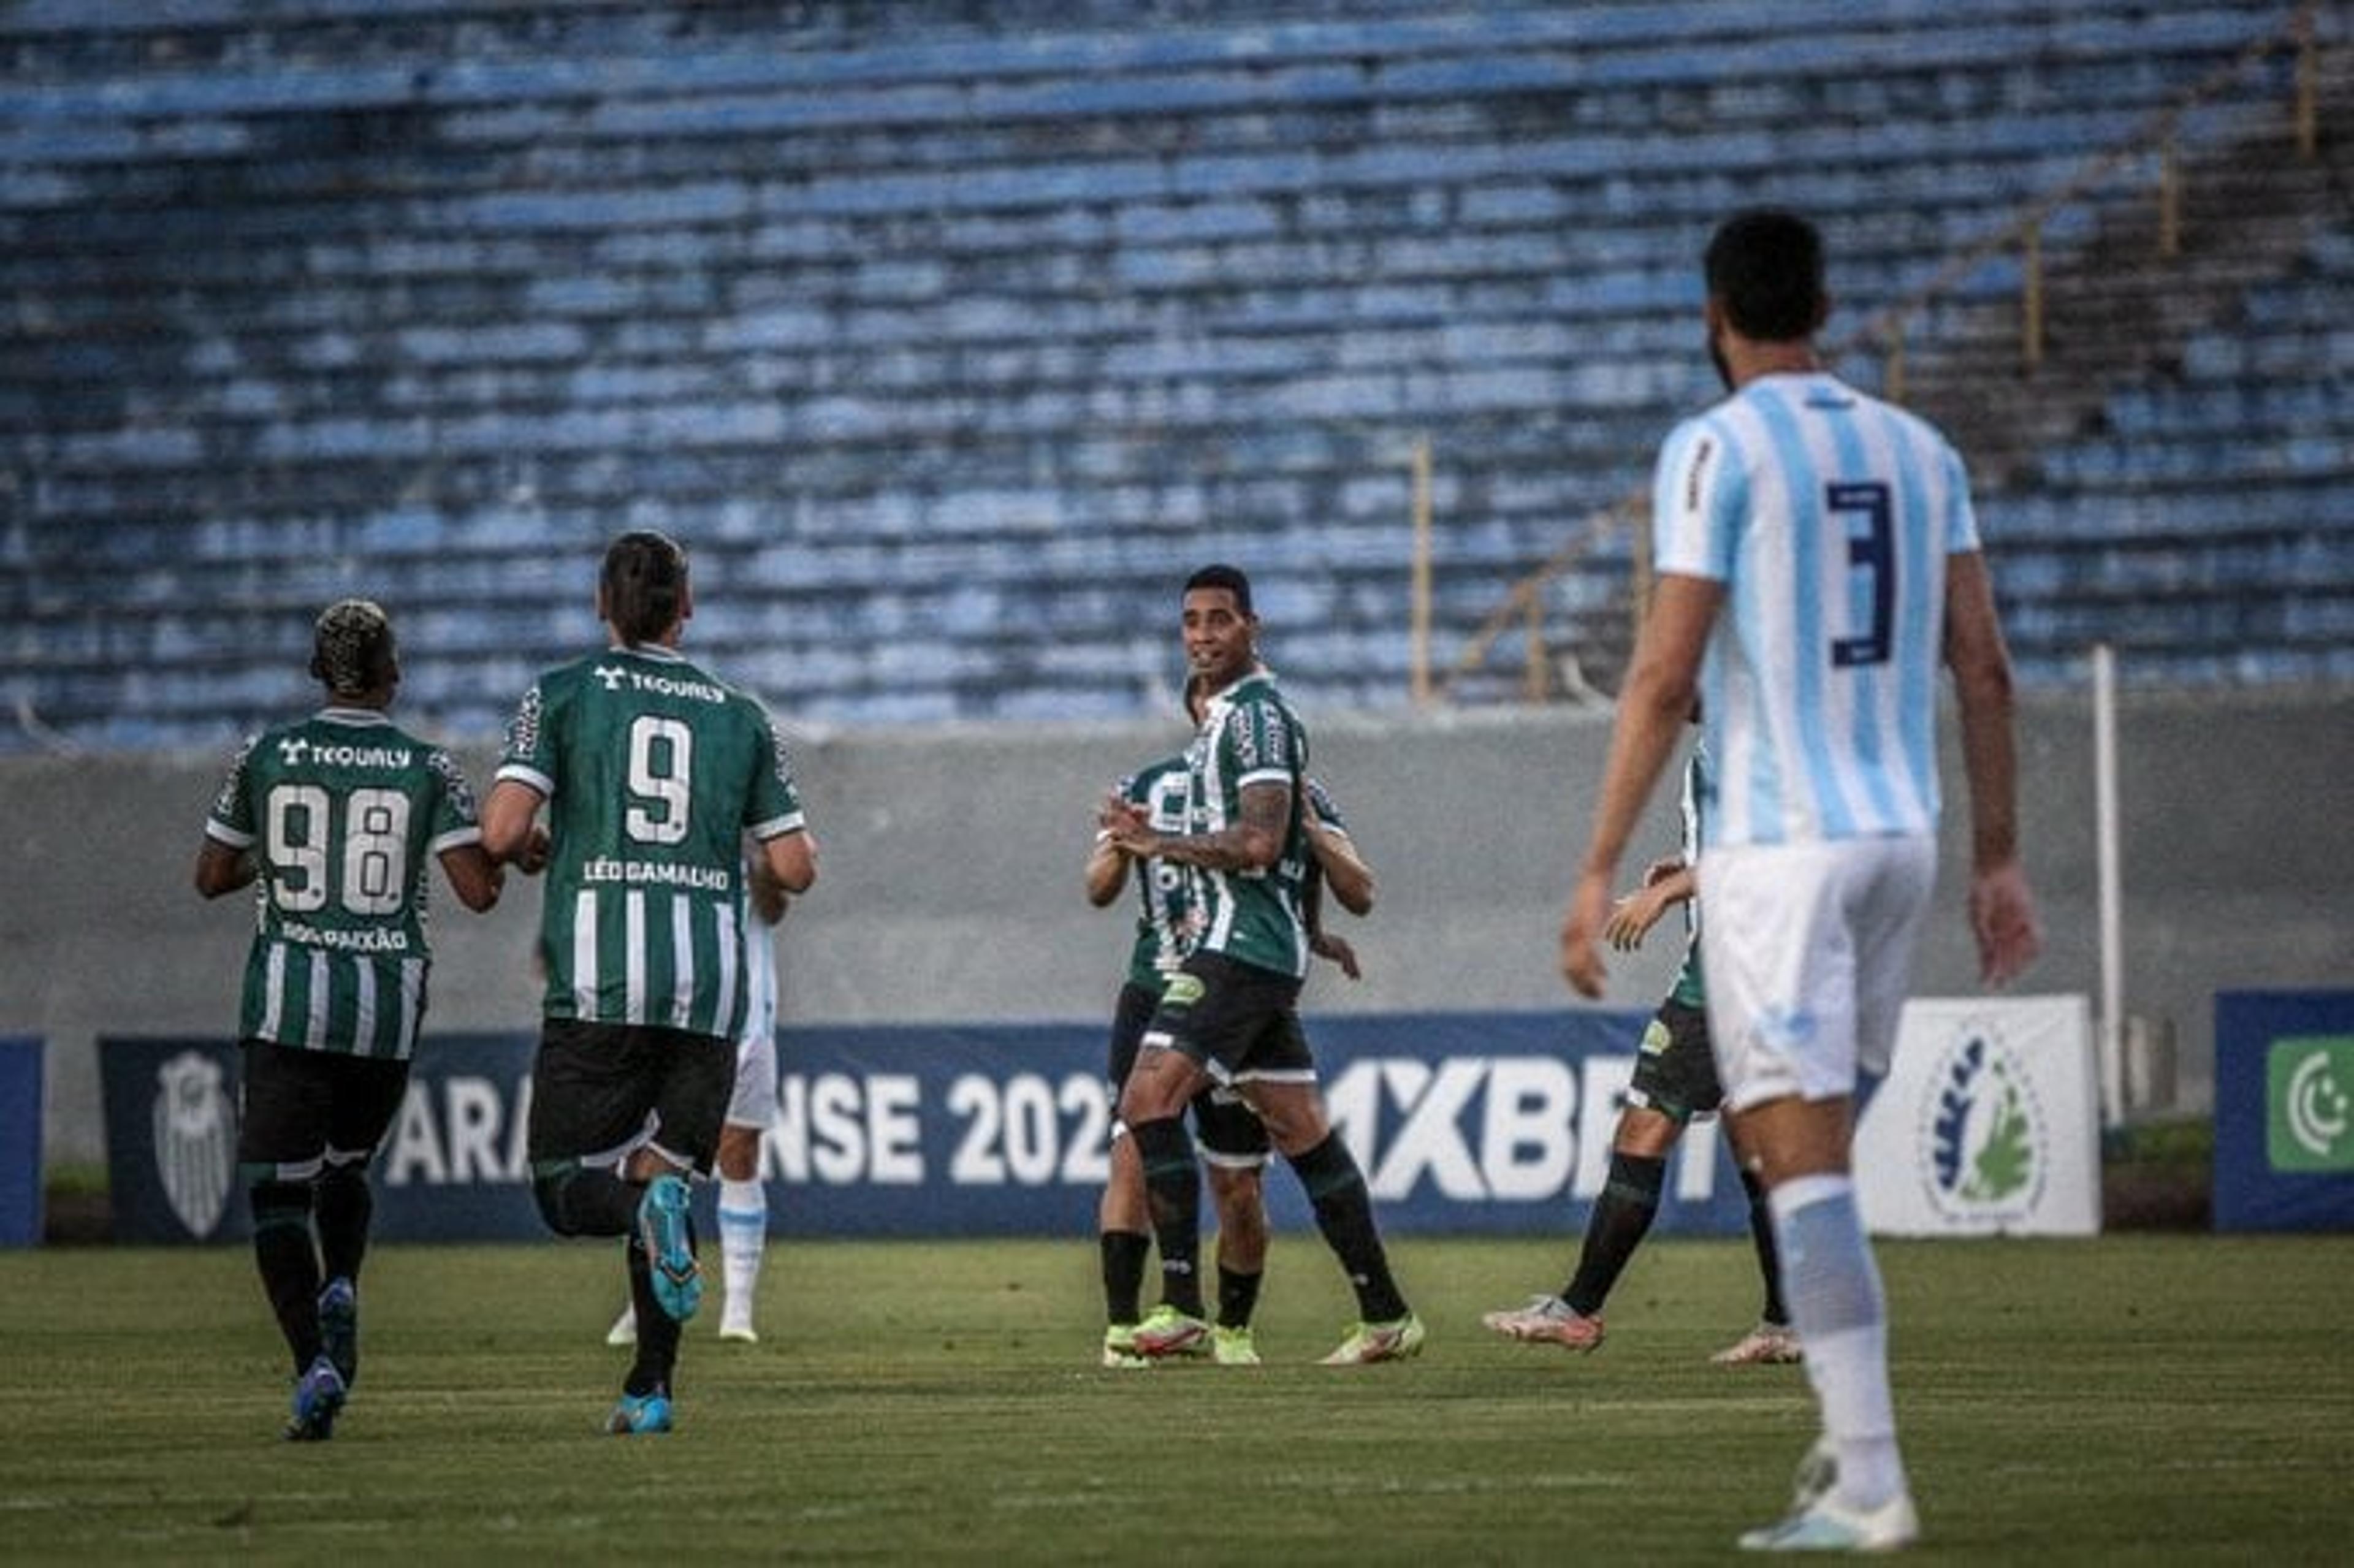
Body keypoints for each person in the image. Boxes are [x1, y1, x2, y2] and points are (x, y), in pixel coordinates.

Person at [1558, 210, 2041, 1552]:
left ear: (1714, 317)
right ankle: (1851, 1435)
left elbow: (1663, 675)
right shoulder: (1920, 449)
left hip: (1782, 851)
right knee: (1803, 1148)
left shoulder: (1714, 447)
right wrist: (2000, 856)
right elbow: (1987, 667)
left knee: (1798, 1162)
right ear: (1825, 302)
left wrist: (1599, 864)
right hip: (1905, 840)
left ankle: (1871, 1478)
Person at [482, 530, 818, 1436]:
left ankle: (647, 1213)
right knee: (663, 1169)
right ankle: (649, 1387)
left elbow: (504, 829)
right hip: (711, 991)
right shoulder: (740, 714)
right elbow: (793, 863)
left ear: (603, 603)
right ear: (688, 605)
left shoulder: (559, 695)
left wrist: (550, 844)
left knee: (563, 1183)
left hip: (599, 980)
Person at [194, 599, 510, 1441]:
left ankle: (314, 1363)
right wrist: (507, 859)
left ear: (313, 674)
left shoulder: (265, 755)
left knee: (274, 1196)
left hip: (287, 1006)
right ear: (393, 675)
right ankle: (345, 1281)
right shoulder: (428, 767)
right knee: (345, 1168)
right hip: (383, 1012)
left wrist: (288, 857)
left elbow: (212, 872)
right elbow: (478, 892)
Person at [1105, 565, 1420, 1366]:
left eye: (1219, 619)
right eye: (1191, 621)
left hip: (1240, 949)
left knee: (1148, 1095)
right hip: (1260, 945)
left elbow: (1259, 845)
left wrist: (1158, 843)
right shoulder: (1229, 727)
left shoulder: (1257, 719)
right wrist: (1315, 932)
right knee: (1301, 1129)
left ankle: (1180, 1303)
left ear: (1252, 626)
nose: (1203, 634)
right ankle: (1386, 1313)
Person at [1485, 733, 1799, 1366]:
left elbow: (1769, 855)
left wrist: (1668, 891)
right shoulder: (1748, 735)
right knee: (1757, 1144)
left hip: (1725, 976)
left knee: (1644, 1129)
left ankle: (1577, 1309)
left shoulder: (1745, 743)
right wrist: (1681, 867)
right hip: (1769, 969)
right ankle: (1788, 1323)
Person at [607, 853, 790, 1348]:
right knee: (650, 1160)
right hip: (671, 1014)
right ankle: (643, 1298)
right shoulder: (659, 841)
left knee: (740, 1151)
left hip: (748, 1016)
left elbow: (775, 908)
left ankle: (738, 1308)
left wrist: (761, 871)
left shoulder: (753, 834)